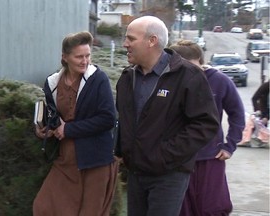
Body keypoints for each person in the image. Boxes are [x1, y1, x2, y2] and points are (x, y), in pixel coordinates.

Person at [115, 16, 220, 216]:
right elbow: (125, 119)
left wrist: (164, 155)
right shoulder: (127, 78)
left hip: (169, 174)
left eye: (130, 38)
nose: (125, 44)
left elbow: (206, 125)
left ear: (152, 41)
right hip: (136, 172)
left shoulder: (188, 76)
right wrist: (121, 150)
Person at [33, 31, 118, 216]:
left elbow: (108, 118)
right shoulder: (52, 83)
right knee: (43, 207)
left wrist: (69, 129)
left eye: (88, 56)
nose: (85, 61)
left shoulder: (98, 79)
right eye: (79, 56)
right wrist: (47, 129)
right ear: (65, 57)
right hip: (66, 158)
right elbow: (55, 117)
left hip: (95, 160)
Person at [169, 40, 245, 216]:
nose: (187, 71)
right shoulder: (170, 80)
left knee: (213, 208)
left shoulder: (219, 80)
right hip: (177, 158)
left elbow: (238, 114)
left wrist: (230, 145)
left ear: (200, 61)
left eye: (192, 66)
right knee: (181, 209)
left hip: (211, 157)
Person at [238, 80, 269, 147]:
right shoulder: (266, 86)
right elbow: (254, 98)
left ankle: (261, 140)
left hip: (267, 110)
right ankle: (246, 140)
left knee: (261, 126)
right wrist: (258, 111)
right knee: (255, 123)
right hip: (263, 109)